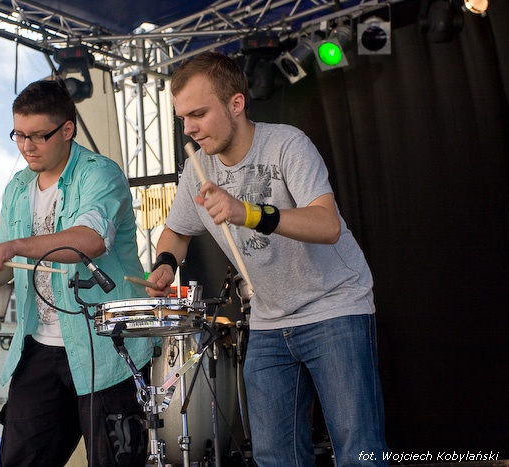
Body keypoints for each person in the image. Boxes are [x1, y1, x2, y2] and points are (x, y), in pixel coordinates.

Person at [146, 51, 387, 466]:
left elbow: (327, 224)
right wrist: (166, 263)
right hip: (269, 320)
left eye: (199, 113)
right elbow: (176, 232)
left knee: (358, 451)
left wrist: (248, 213)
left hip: (334, 306)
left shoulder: (287, 144)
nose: (189, 128)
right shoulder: (197, 169)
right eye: (183, 117)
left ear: (236, 103)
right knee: (275, 456)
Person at [0, 79, 155, 467]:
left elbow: (89, 240)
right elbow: (8, 266)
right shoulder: (17, 187)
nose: (26, 146)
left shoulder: (100, 174)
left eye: (38, 136)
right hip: (39, 345)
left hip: (106, 345)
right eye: (18, 135)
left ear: (67, 129)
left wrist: (13, 246)